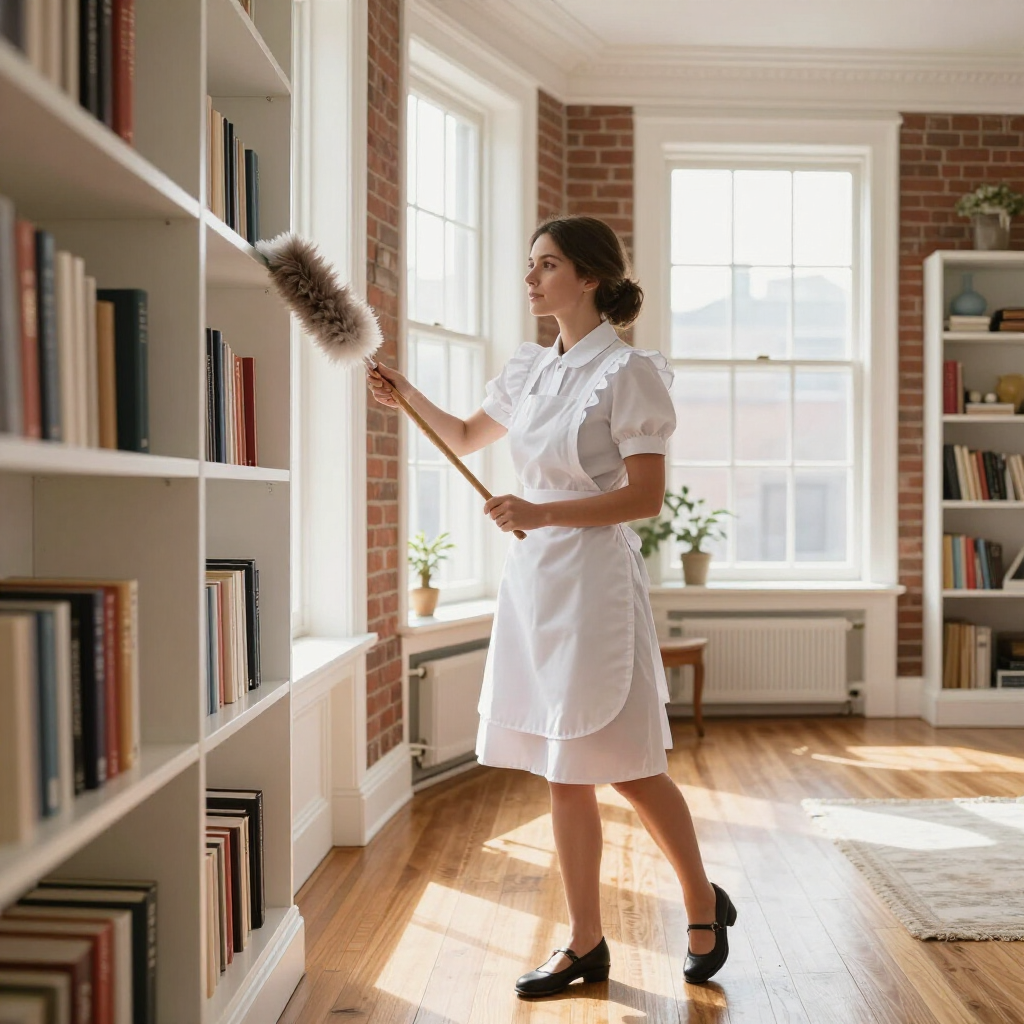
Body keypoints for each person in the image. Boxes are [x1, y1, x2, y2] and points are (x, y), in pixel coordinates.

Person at [367, 215, 734, 996]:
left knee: (630, 768)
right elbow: (466, 435)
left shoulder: (629, 374)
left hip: (596, 587)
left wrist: (541, 512)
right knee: (562, 770)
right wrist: (406, 394)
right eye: (529, 264)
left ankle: (702, 901)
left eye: (547, 264)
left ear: (591, 277)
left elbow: (644, 496)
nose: (531, 279)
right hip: (533, 586)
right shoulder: (531, 368)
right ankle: (584, 942)